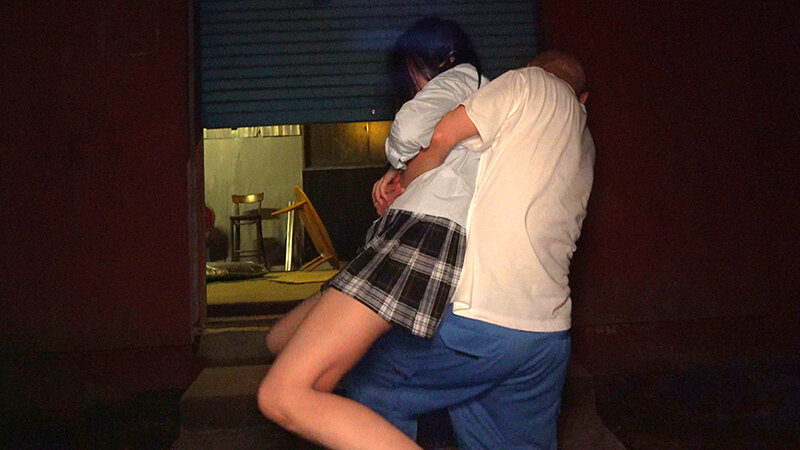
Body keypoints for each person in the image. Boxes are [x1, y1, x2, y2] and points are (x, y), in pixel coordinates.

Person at [257, 17, 488, 449]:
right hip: (402, 235)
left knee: (283, 394)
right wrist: (397, 175)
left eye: (413, 73)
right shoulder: (471, 102)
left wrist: (398, 159)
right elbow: (430, 154)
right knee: (279, 340)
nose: (413, 88)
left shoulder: (462, 78)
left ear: (443, 57)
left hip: (420, 237)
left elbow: (409, 131)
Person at [346, 50, 595, 449]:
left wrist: (402, 184)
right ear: (583, 99)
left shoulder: (526, 83)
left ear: (530, 70)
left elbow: (442, 136)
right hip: (547, 337)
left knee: (369, 384)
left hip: (482, 322)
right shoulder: (582, 140)